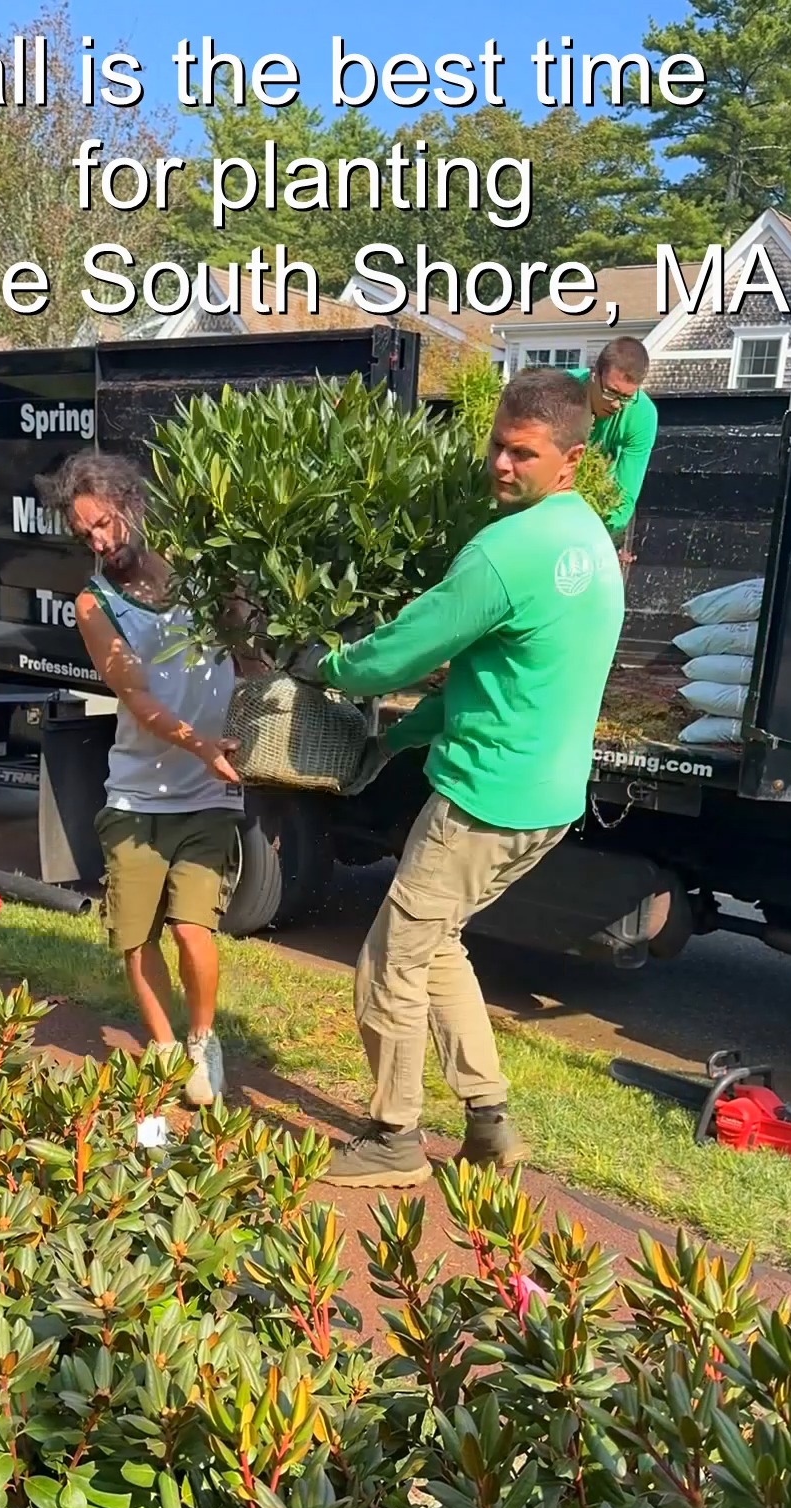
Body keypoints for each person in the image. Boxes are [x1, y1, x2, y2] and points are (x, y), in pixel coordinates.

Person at [295, 368, 625, 1188]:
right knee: (435, 944)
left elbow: (399, 653)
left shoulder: (505, 552)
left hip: (483, 800)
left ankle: (393, 1138)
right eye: (498, 446)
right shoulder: (587, 537)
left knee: (390, 964)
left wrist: (327, 665)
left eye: (523, 453)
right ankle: (489, 1122)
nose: (502, 465)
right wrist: (403, 739)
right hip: (549, 799)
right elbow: (509, 674)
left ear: (571, 459)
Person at [41, 451, 243, 1107]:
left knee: (191, 929)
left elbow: (250, 646)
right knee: (136, 935)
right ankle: (162, 1045)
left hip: (207, 795)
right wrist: (198, 743)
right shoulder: (94, 604)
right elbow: (137, 696)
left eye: (103, 524)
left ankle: (203, 1042)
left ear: (130, 503)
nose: (98, 542)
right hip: (134, 797)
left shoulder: (201, 571)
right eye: (85, 534)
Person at [574, 337, 658, 558]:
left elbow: (624, 498)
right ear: (594, 373)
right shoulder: (560, 392)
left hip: (594, 520)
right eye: (610, 392)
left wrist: (595, 542)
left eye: (626, 397)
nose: (616, 404)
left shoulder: (642, 415)